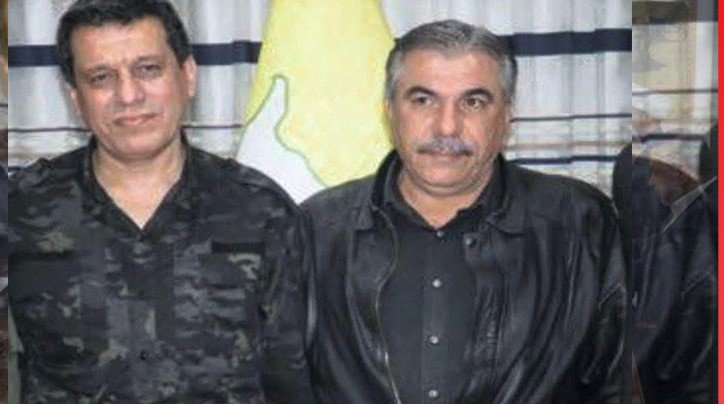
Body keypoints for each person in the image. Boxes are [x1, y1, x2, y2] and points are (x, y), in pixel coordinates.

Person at [302, 20, 627, 403]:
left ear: (506, 115)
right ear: (389, 110)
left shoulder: (580, 224)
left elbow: (619, 382)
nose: (447, 127)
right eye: (423, 100)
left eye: (473, 102)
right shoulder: (317, 231)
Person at [9, 1, 313, 402]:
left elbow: (292, 378)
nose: (128, 95)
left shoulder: (262, 211)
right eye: (101, 78)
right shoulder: (21, 209)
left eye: (148, 69)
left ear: (188, 76)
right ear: (76, 99)